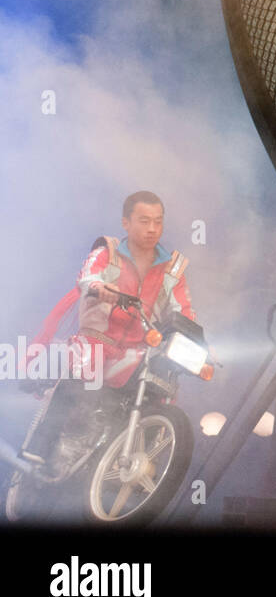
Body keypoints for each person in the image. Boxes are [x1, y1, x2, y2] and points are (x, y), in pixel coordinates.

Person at [20, 190, 195, 469]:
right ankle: (42, 444)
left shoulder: (172, 270)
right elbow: (87, 277)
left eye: (158, 222)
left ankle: (131, 458)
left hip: (137, 349)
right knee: (86, 364)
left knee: (162, 383)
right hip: (97, 338)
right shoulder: (108, 252)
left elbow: (183, 309)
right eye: (144, 221)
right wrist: (101, 288)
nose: (152, 229)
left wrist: (197, 337)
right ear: (126, 223)